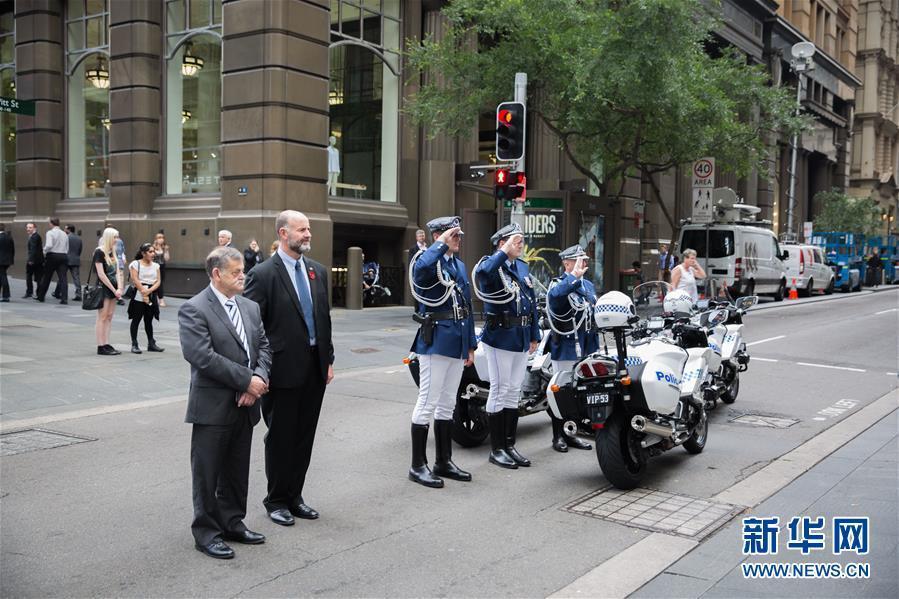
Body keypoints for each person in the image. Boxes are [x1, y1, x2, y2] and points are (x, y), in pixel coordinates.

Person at [178, 246, 272, 560]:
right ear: (217, 274)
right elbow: (201, 356)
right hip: (213, 406)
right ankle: (206, 533)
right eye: (236, 272)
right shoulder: (194, 308)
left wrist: (256, 381)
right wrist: (247, 381)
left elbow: (264, 347)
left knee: (236, 469)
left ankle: (232, 522)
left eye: (242, 270)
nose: (242, 276)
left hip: (246, 405)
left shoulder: (250, 307)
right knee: (207, 473)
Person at [244, 210, 334, 527]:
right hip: (281, 370)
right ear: (284, 233)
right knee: (281, 437)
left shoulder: (318, 272)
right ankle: (276, 500)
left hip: (314, 368)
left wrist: (329, 360)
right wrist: (259, 371)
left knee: (304, 437)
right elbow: (253, 327)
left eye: (308, 229)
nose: (308, 234)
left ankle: (295, 497)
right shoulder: (263, 274)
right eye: (301, 229)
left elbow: (324, 319)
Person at [407, 216, 477, 488]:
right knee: (427, 402)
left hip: (457, 341)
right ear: (439, 235)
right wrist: (439, 245)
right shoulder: (428, 260)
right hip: (435, 340)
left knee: (448, 403)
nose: (458, 239)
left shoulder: (457, 265)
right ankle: (417, 465)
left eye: (458, 235)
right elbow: (421, 270)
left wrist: (470, 343)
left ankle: (443, 461)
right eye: (453, 235)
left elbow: (467, 307)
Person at [473, 223, 540, 469]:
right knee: (499, 389)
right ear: (501, 244)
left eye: (521, 241)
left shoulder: (521, 267)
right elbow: (483, 276)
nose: (520, 245)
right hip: (500, 336)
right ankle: (497, 448)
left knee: (514, 391)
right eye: (515, 241)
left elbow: (531, 303)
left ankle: (509, 445)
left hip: (521, 336)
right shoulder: (491, 265)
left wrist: (534, 335)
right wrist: (501, 253)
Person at [545, 245, 596, 453]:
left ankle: (573, 433)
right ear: (566, 263)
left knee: (579, 391)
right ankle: (558, 436)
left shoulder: (588, 285)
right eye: (577, 260)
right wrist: (573, 277)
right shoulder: (559, 283)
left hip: (585, 343)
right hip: (566, 344)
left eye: (584, 260)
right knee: (561, 391)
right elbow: (556, 298)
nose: (582, 264)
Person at [128, 243, 164, 354]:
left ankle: (151, 343)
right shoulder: (135, 264)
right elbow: (134, 279)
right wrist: (143, 292)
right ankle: (134, 344)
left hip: (151, 292)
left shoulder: (156, 266)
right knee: (137, 318)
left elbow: (158, 281)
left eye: (154, 251)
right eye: (150, 252)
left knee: (149, 319)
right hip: (139, 292)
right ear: (143, 253)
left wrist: (149, 291)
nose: (153, 254)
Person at [93, 228, 124, 355]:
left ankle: (106, 343)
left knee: (110, 316)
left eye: (117, 237)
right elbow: (101, 274)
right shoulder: (99, 252)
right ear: (109, 237)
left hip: (114, 288)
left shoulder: (113, 251)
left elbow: (118, 271)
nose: (117, 239)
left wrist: (120, 288)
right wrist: (114, 289)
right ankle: (101, 346)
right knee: (102, 316)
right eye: (115, 237)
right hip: (104, 287)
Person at [36, 217, 69, 304]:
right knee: (63, 278)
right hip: (63, 255)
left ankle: (41, 296)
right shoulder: (64, 233)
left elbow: (49, 245)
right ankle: (64, 298)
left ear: (51, 223)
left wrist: (44, 251)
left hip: (52, 255)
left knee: (47, 277)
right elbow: (67, 247)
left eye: (49, 223)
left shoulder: (50, 233)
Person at [23, 222, 42, 299]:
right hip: (38, 260)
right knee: (38, 277)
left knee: (30, 276)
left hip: (34, 261)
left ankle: (29, 292)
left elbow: (33, 249)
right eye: (27, 227)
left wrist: (30, 260)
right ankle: (37, 293)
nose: (28, 229)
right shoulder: (35, 236)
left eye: (30, 227)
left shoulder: (34, 237)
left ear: (35, 228)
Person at [64, 225, 83, 302]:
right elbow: (80, 249)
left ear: (68, 230)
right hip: (75, 259)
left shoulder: (66, 237)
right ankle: (78, 294)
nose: (64, 230)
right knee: (76, 278)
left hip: (66, 259)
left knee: (62, 277)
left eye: (65, 228)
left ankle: (58, 292)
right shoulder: (79, 238)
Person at [152, 232, 171, 307]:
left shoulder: (164, 247)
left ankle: (157, 298)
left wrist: (166, 250)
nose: (161, 239)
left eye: (162, 238)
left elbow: (167, 258)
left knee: (160, 283)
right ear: (156, 239)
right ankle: (161, 299)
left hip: (162, 266)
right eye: (159, 238)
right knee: (157, 283)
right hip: (154, 267)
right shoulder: (152, 247)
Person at [0, 224, 13, 302]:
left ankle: (6, 296)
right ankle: (5, 295)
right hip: (7, 261)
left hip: (1, 261)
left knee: (3, 277)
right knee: (1, 276)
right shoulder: (9, 237)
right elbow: (12, 250)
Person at [114, 234, 127, 305]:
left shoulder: (119, 241)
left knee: (120, 278)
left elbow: (122, 252)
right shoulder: (104, 240)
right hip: (112, 262)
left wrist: (123, 258)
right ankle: (118, 295)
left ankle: (119, 296)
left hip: (118, 262)